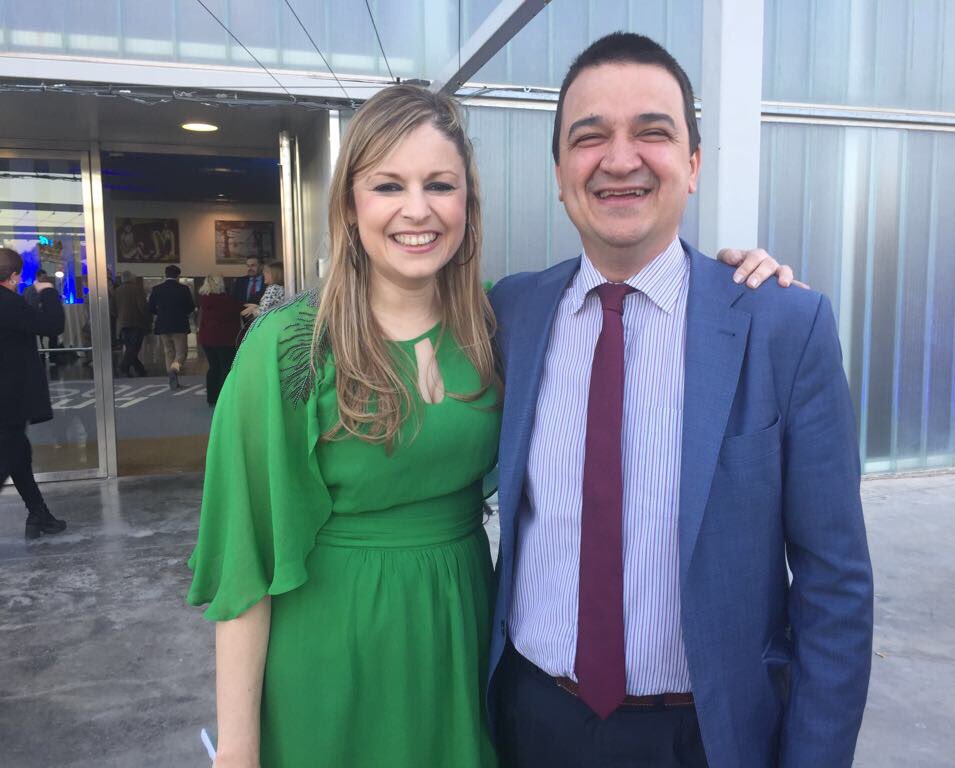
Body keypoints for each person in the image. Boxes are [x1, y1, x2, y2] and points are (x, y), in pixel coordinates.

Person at [187, 85, 789, 768]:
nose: (417, 209)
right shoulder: (291, 348)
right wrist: (236, 750)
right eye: (388, 185)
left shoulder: (499, 323)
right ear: (351, 208)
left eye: (439, 185)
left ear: (467, 207)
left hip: (467, 642)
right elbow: (245, 562)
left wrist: (738, 276)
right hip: (334, 651)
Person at [487, 33, 873, 768]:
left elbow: (835, 585)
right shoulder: (511, 314)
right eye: (589, 136)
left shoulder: (783, 325)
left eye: (653, 133)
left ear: (693, 166)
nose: (621, 158)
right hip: (531, 721)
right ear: (560, 173)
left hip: (707, 736)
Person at [0, 248, 68, 539]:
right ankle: (39, 514)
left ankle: (39, 514)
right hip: (9, 396)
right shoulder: (9, 303)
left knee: (19, 454)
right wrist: (49, 291)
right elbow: (53, 325)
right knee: (10, 454)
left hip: (7, 397)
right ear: (14, 276)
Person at [196, 274, 242, 406]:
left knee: (213, 368)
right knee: (226, 368)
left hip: (207, 339)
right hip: (225, 339)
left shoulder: (204, 300)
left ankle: (212, 398)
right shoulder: (227, 300)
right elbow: (240, 311)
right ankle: (225, 399)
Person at [148, 264, 195, 390]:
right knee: (181, 353)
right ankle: (175, 369)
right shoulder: (184, 289)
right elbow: (190, 306)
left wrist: (161, 313)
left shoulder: (157, 289)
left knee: (168, 352)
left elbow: (150, 307)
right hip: (179, 325)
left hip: (163, 324)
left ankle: (172, 379)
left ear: (165, 274)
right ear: (178, 276)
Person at [114, 270, 151, 377]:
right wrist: (147, 319)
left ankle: (140, 370)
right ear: (131, 278)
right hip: (136, 323)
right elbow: (143, 307)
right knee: (134, 348)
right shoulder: (137, 290)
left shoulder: (117, 291)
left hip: (122, 324)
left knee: (130, 347)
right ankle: (123, 367)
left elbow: (113, 309)